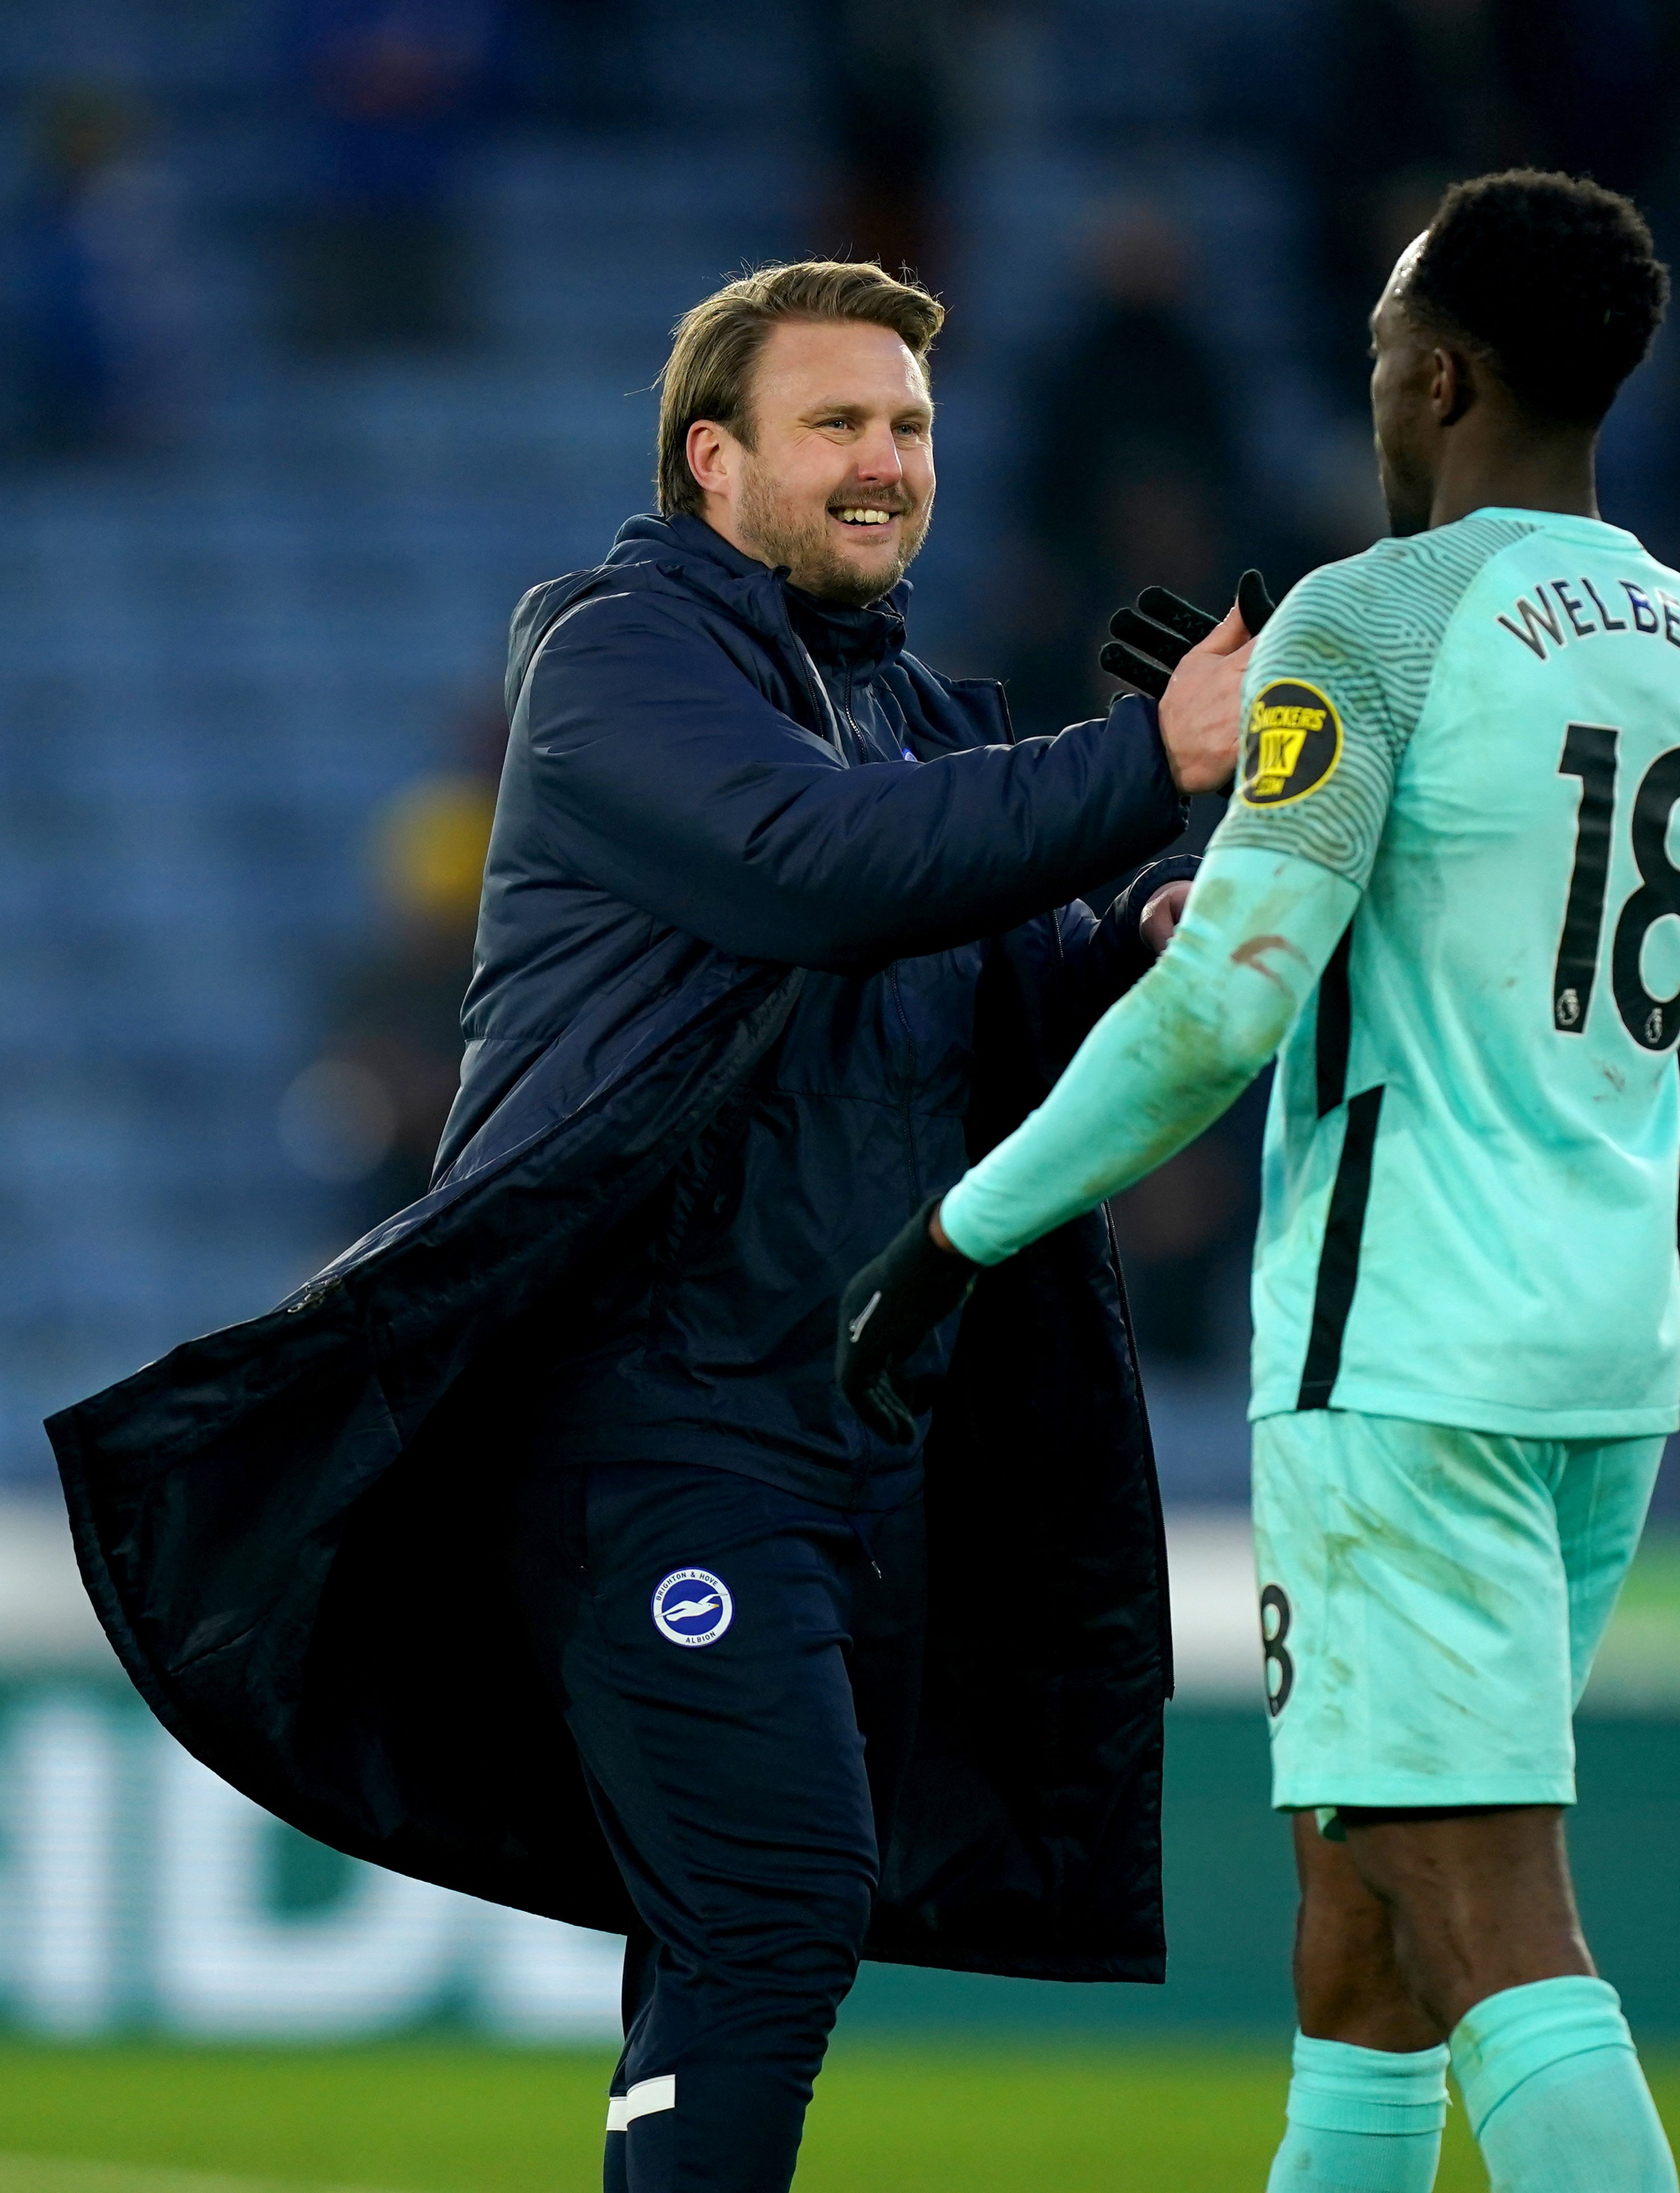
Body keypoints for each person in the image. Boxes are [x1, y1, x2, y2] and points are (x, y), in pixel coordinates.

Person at [50, 258, 1248, 2193]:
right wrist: (1141, 765)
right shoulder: (617, 658)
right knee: (777, 1905)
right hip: (646, 1428)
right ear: (715, 460)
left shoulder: (924, 718)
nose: (886, 462)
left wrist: (1143, 941)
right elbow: (818, 873)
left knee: (728, 1942)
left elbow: (991, 995)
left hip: (847, 1445)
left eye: (913, 428)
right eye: (838, 425)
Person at [839, 172, 1680, 2193]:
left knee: (1486, 1915)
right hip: (1603, 1339)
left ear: (1439, 374)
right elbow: (1476, 927)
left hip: (1407, 1347)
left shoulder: (1375, 621)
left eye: (1374, 353)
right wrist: (1282, 800)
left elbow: (1223, 1011)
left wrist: (953, 1236)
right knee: (1360, 1936)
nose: (1362, 389)